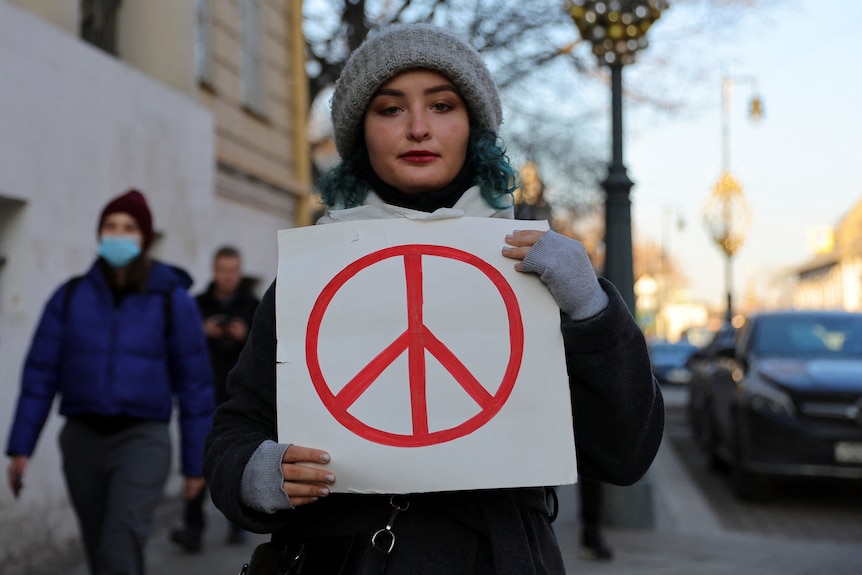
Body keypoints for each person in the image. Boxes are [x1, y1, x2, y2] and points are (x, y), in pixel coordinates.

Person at [204, 23, 664, 574]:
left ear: (474, 127)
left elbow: (625, 451)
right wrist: (259, 475)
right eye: (390, 109)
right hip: (345, 559)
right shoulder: (313, 275)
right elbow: (235, 429)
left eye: (442, 105)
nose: (418, 129)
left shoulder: (537, 269)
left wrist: (592, 310)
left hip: (499, 558)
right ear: (360, 135)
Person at [5, 189, 215, 575]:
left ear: (145, 238)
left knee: (120, 542)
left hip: (142, 440)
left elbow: (196, 387)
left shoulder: (172, 301)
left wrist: (195, 464)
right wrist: (21, 447)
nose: (118, 235)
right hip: (82, 440)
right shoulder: (69, 297)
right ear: (100, 234)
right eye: (110, 226)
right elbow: (39, 374)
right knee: (98, 547)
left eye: (129, 228)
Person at [171, 245, 260, 552]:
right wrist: (200, 330)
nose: (227, 277)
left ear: (239, 272)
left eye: (233, 271)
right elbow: (180, 342)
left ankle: (239, 524)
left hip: (240, 397)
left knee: (237, 460)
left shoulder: (254, 306)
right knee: (197, 460)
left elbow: (266, 348)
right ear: (214, 271)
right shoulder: (197, 305)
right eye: (223, 271)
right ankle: (192, 528)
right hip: (202, 394)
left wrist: (244, 333)